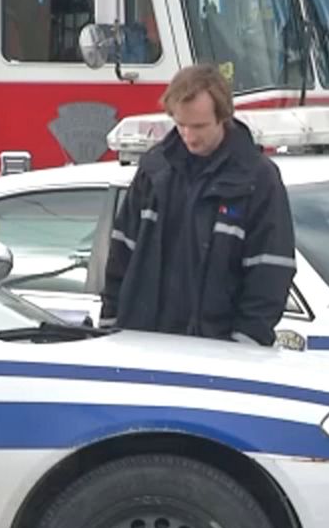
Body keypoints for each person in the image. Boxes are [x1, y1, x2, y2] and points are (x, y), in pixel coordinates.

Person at [101, 64, 297, 347]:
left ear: (223, 117)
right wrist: (110, 328)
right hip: (142, 347)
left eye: (199, 126)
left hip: (218, 355)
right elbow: (120, 255)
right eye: (181, 125)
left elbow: (271, 274)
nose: (189, 136)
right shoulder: (154, 170)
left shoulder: (257, 179)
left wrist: (244, 346)